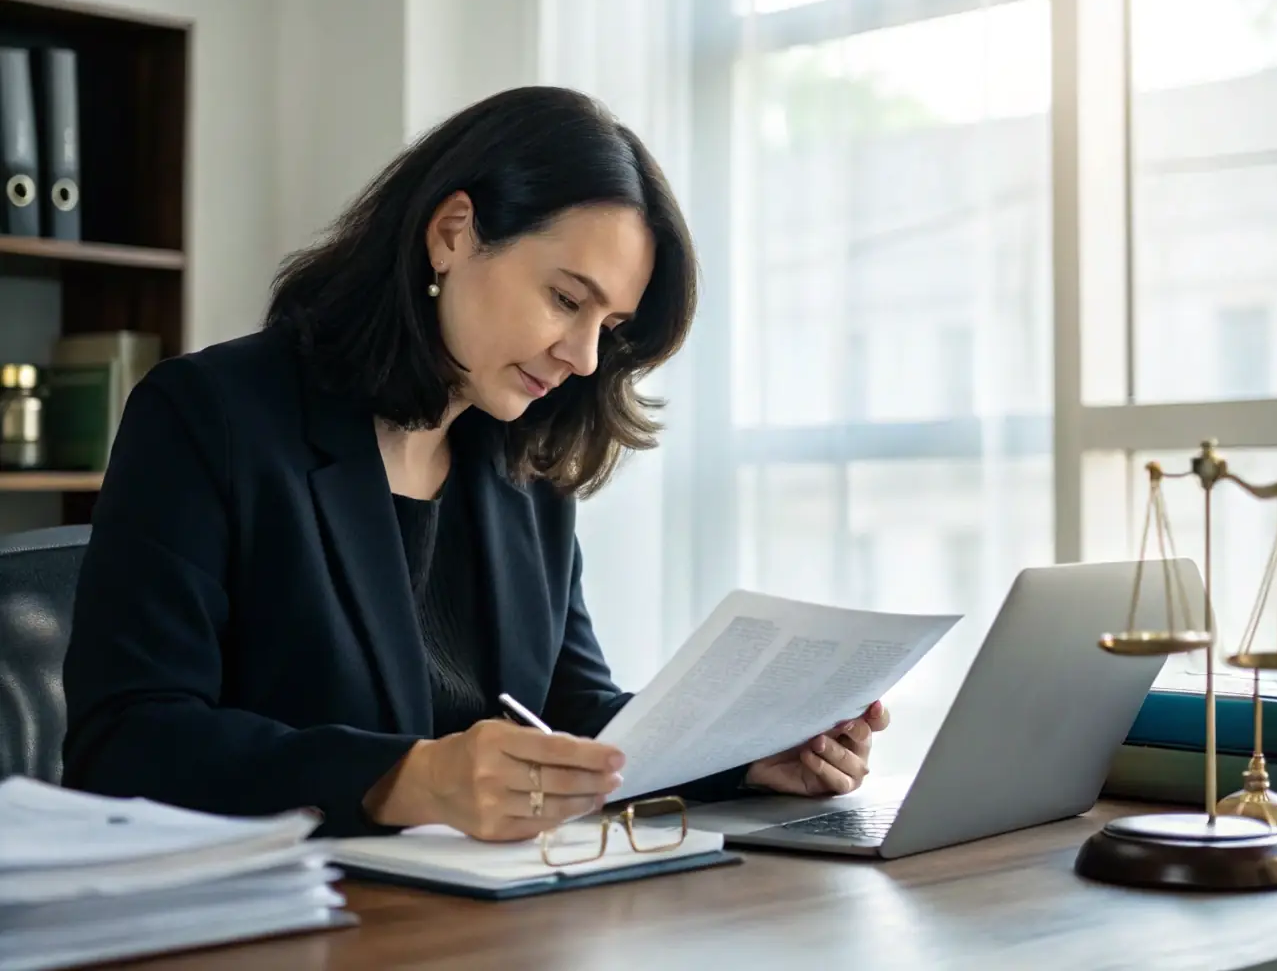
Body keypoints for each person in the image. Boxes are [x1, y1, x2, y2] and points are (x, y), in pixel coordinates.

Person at [60, 86, 891, 840]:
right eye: (567, 300)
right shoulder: (210, 417)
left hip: (484, 920)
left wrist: (744, 756)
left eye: (610, 325)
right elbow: (128, 741)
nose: (584, 357)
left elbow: (567, 713)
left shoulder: (523, 464)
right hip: (288, 922)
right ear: (452, 233)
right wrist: (406, 779)